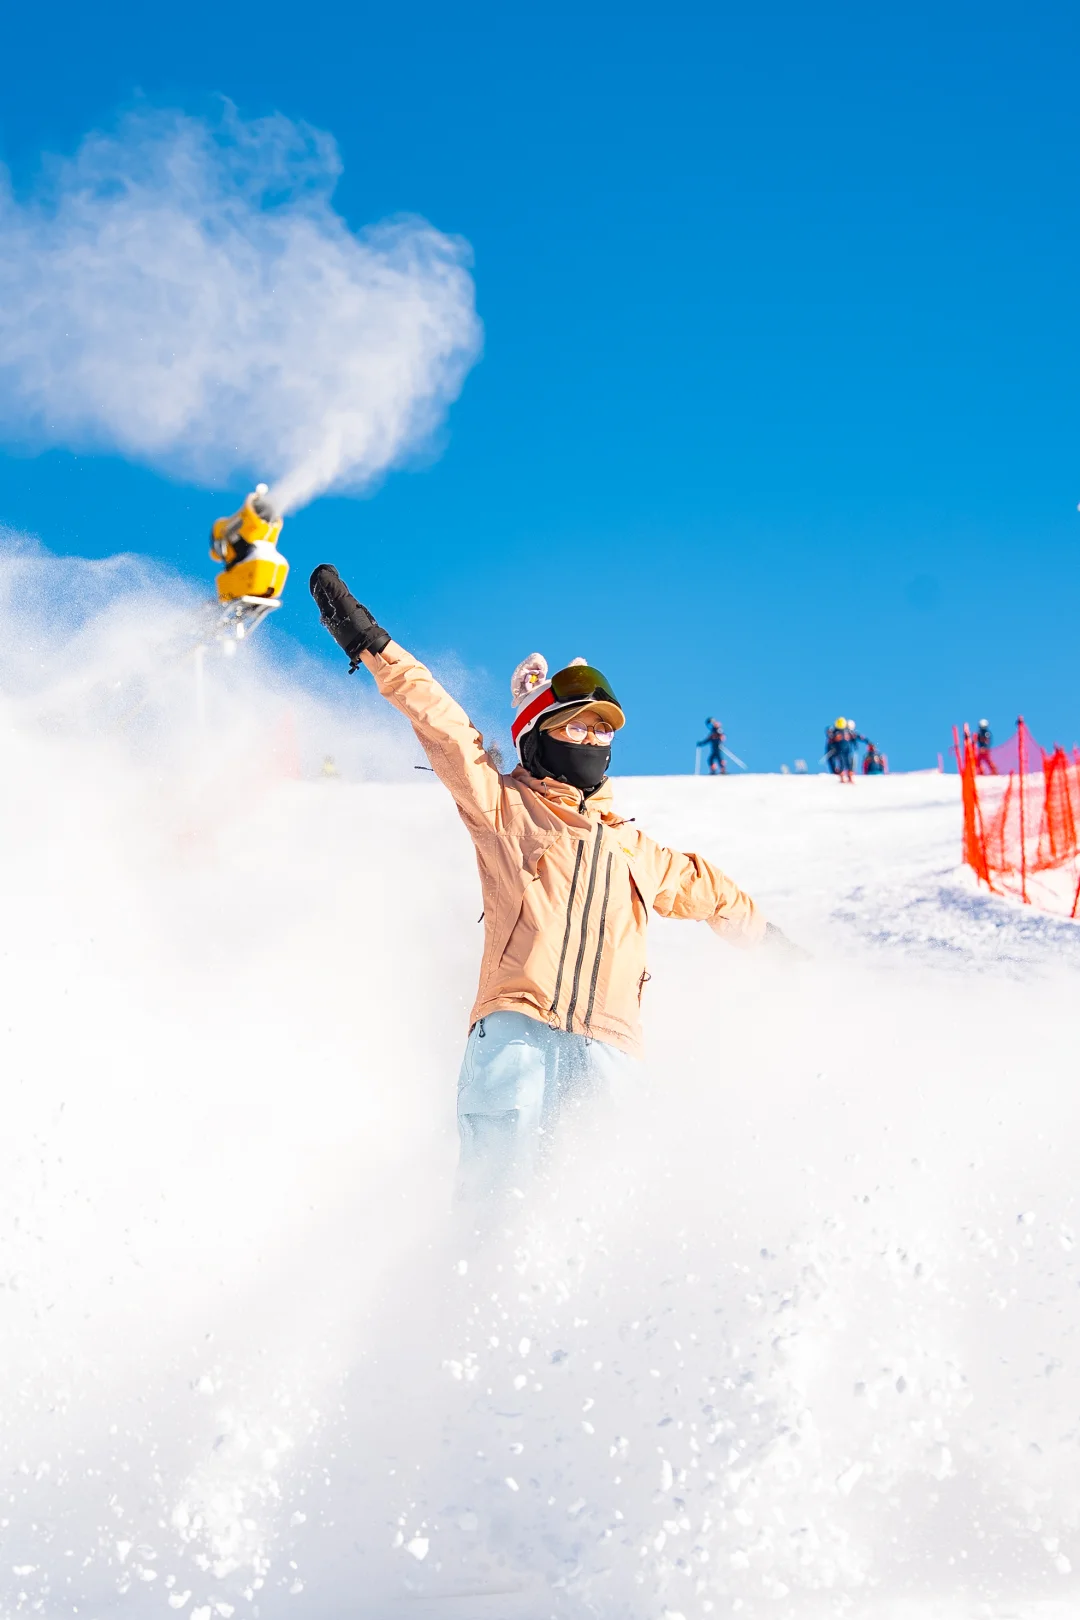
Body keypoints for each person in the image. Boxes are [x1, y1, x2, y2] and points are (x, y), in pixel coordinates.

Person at [309, 564, 801, 1204]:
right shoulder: (505, 808)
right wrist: (371, 644)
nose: (594, 738)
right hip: (517, 1032)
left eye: (604, 729)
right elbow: (447, 728)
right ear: (538, 735)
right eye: (577, 725)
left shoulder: (632, 848)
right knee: (498, 1204)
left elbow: (712, 891)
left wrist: (775, 945)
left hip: (610, 1046)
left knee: (606, 1208)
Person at [209, 484, 289, 603]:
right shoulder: (267, 530)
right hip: (276, 566)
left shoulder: (236, 528)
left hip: (254, 564)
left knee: (224, 582)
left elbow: (220, 549)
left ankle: (220, 606)